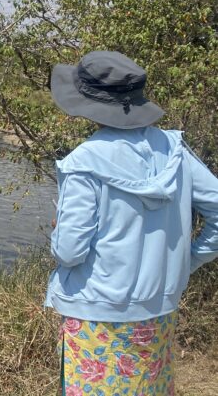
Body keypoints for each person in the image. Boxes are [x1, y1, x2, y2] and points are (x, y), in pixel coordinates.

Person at [46, 50, 218, 395]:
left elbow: (69, 251)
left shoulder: (83, 162)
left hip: (96, 312)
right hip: (160, 307)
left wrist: (57, 234)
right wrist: (187, 261)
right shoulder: (174, 151)